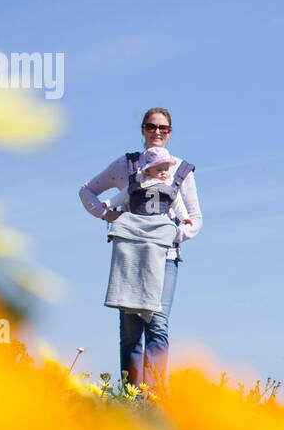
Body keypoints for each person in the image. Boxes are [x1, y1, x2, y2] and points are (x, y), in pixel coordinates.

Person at [79, 107, 202, 389]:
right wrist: (104, 213)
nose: (157, 132)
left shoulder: (180, 169)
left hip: (165, 257)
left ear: (170, 133)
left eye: (164, 128)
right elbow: (87, 190)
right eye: (151, 126)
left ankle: (155, 399)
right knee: (131, 330)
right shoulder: (126, 164)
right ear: (143, 130)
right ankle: (132, 399)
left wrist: (171, 235)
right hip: (130, 255)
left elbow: (195, 218)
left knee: (158, 325)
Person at [101, 146, 197, 329]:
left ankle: (148, 304)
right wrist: (108, 204)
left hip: (158, 229)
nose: (163, 173)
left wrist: (185, 218)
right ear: (148, 170)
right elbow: (121, 197)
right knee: (128, 253)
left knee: (153, 267)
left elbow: (178, 205)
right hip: (137, 226)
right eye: (159, 169)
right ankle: (123, 296)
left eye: (165, 169)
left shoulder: (169, 188)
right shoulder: (137, 185)